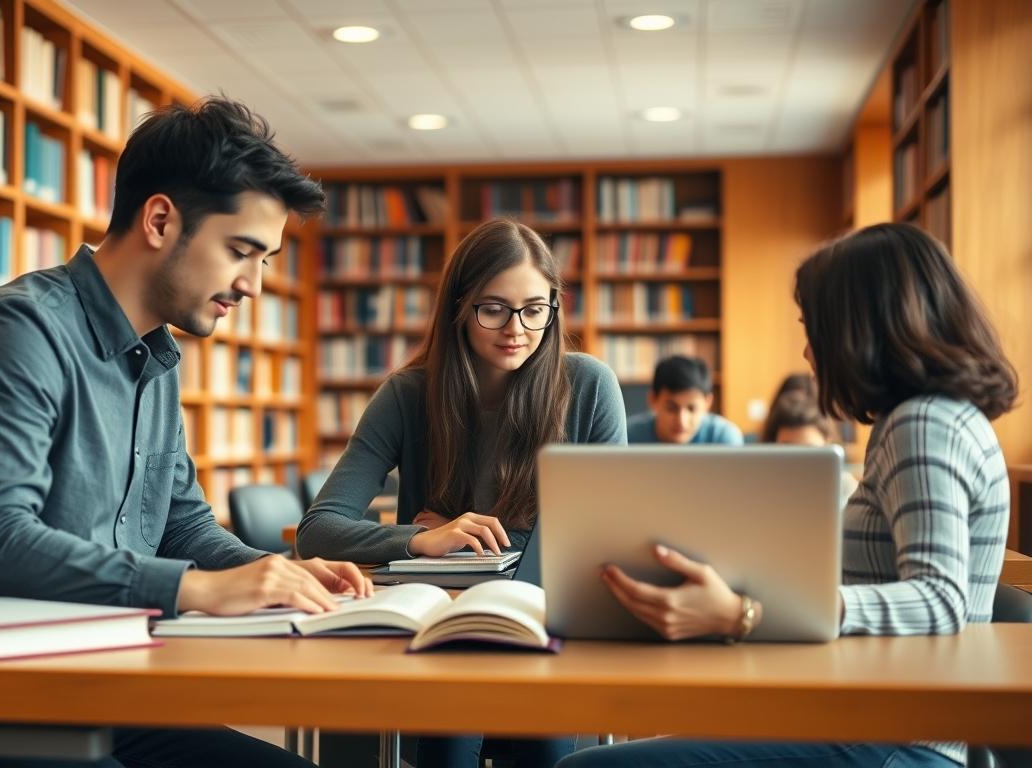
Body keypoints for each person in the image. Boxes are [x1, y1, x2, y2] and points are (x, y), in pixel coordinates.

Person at [0, 98, 371, 768]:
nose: (254, 284)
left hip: (77, 688)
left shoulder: (156, 357)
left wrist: (269, 573)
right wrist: (197, 589)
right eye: (241, 251)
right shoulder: (19, 333)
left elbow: (181, 527)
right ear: (161, 220)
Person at [559, 222, 1018, 768]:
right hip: (871, 723)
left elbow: (940, 601)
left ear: (860, 328)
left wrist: (743, 614)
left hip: (895, 742)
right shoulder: (933, 417)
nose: (806, 349)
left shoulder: (923, 424)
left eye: (813, 328)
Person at [296, 218, 627, 768]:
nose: (516, 328)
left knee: (539, 736)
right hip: (442, 631)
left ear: (553, 308)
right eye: (493, 308)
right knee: (447, 740)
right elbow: (318, 530)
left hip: (549, 630)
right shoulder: (406, 395)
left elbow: (611, 535)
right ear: (459, 308)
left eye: (535, 309)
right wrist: (418, 540)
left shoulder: (589, 386)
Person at [626, 355, 742, 445]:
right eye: (671, 408)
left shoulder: (723, 437)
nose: (681, 421)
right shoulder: (627, 437)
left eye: (691, 409)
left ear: (707, 404)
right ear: (652, 400)